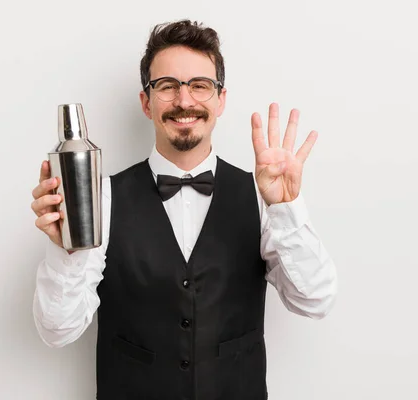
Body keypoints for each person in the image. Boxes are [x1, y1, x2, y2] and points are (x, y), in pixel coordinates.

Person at [30, 19, 338, 400]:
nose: (185, 100)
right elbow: (57, 330)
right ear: (146, 102)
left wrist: (286, 207)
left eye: (199, 85)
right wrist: (68, 250)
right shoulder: (102, 198)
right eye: (167, 86)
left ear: (220, 99)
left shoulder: (264, 198)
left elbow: (316, 301)